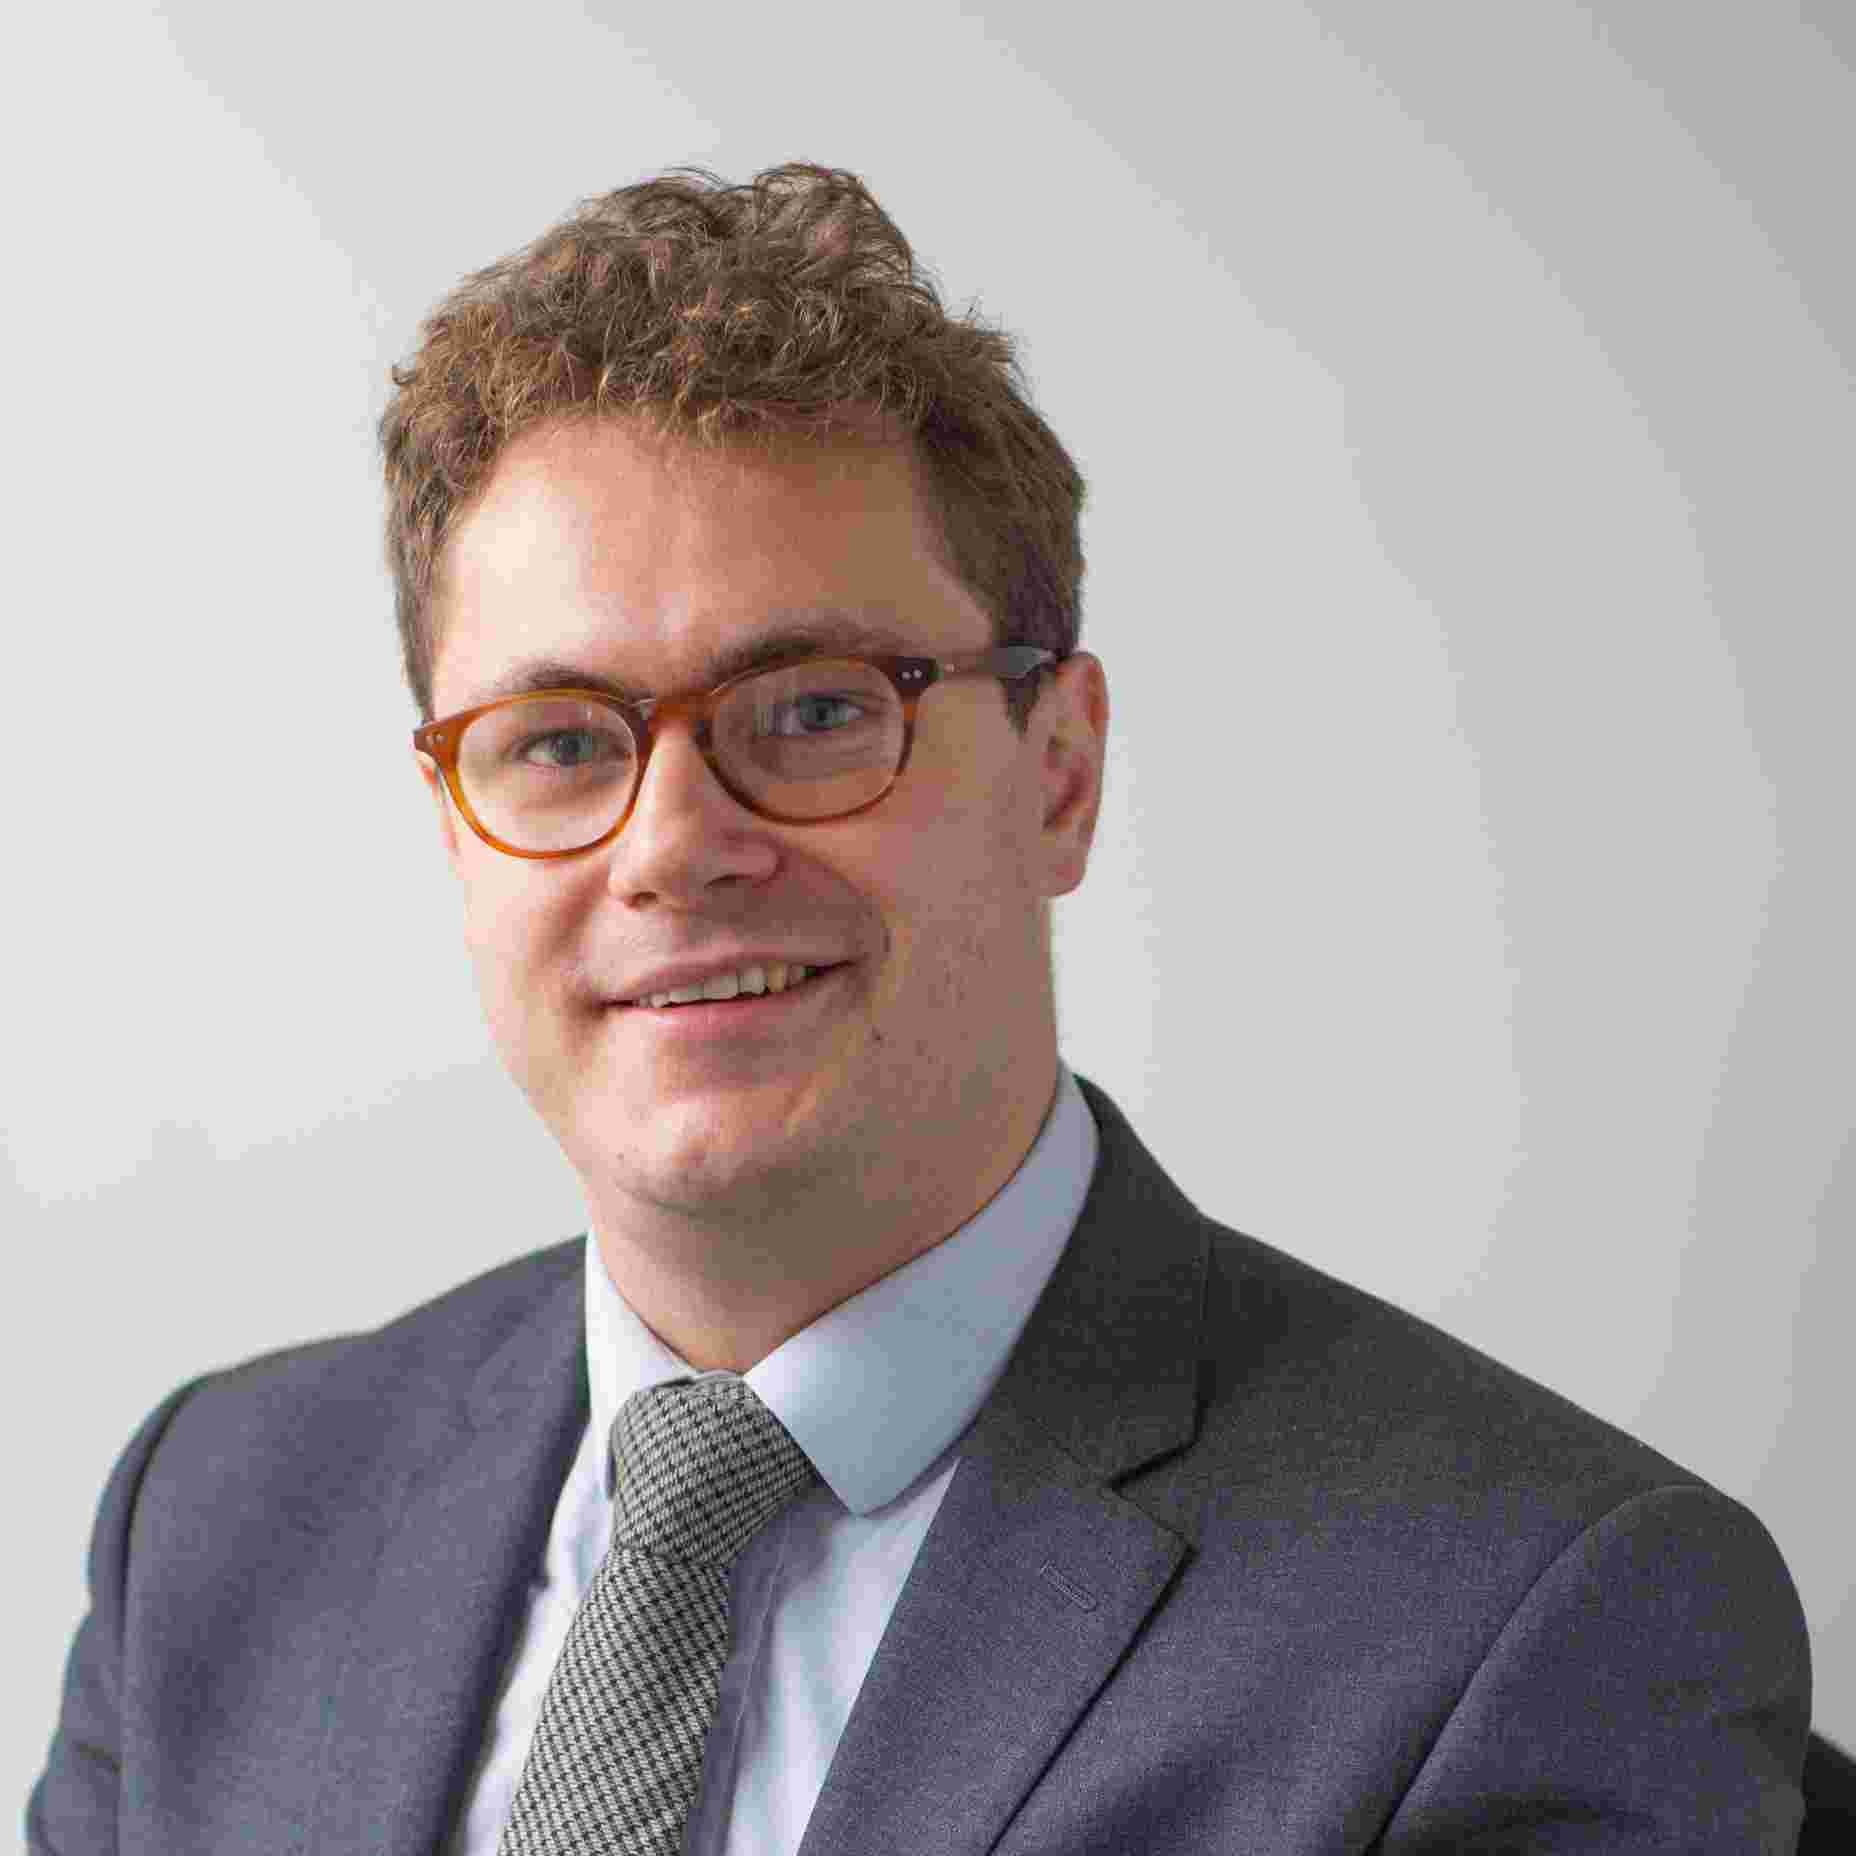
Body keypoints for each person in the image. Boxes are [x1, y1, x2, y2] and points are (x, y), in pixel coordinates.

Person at [30, 163, 1811, 1855]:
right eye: (558, 743)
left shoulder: (1532, 1619)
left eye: (813, 711)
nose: (673, 847)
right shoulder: (217, 1522)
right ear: (454, 826)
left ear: (1061, 772)